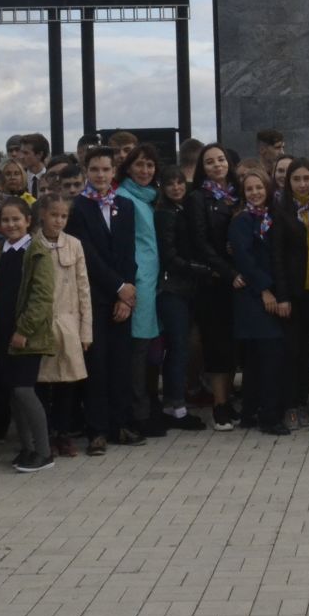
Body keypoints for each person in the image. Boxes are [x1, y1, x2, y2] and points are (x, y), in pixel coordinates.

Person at [71, 148, 141, 453]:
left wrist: (127, 293)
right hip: (94, 296)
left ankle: (120, 424)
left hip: (121, 297)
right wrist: (116, 287)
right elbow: (87, 254)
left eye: (106, 169)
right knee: (96, 365)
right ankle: (96, 429)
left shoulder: (124, 206)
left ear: (114, 172)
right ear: (87, 171)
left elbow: (128, 251)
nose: (101, 175)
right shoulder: (77, 207)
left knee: (120, 363)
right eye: (95, 169)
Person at [0, 198, 58, 472]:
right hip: (3, 332)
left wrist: (24, 329)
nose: (11, 224)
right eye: (5, 220)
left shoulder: (38, 251)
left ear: (28, 220)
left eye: (16, 219)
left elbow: (42, 297)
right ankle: (27, 448)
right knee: (13, 393)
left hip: (27, 335)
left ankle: (44, 451)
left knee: (24, 390)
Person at [229, 170, 292, 435]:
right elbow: (244, 259)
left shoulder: (272, 217)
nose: (255, 193)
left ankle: (250, 412)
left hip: (270, 292)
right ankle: (268, 416)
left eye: (259, 188)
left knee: (258, 360)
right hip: (255, 298)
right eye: (249, 189)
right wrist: (265, 290)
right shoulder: (242, 220)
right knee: (267, 358)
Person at [33, 190, 95, 453]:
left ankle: (63, 432)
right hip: (41, 323)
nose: (58, 221)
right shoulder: (32, 244)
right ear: (42, 216)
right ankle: (43, 433)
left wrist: (85, 331)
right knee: (42, 383)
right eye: (54, 216)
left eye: (63, 216)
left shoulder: (74, 244)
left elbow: (83, 288)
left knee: (67, 383)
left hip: (69, 322)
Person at [148, 170, 208, 433]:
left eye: (179, 182)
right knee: (178, 348)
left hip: (187, 287)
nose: (175, 187)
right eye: (169, 183)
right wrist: (199, 268)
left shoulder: (184, 209)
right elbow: (169, 255)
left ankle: (176, 403)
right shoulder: (165, 213)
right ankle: (175, 406)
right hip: (172, 288)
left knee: (182, 347)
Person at [189, 143, 241, 430]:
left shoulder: (238, 194)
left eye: (221, 159)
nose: (217, 165)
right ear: (203, 168)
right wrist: (227, 271)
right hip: (215, 281)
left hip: (239, 281)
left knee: (232, 345)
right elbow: (201, 243)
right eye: (210, 162)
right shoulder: (199, 198)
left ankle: (229, 398)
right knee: (217, 345)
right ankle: (219, 404)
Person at [115, 145, 165, 435]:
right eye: (139, 165)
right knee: (137, 351)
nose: (145, 171)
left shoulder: (147, 198)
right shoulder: (124, 198)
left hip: (152, 280)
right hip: (138, 281)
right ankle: (138, 413)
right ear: (128, 168)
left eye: (150, 165)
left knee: (148, 350)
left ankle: (146, 408)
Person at [272, 160, 309, 429]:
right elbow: (277, 257)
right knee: (290, 351)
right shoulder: (281, 213)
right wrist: (282, 295)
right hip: (292, 293)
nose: (303, 184)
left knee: (306, 352)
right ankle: (288, 404)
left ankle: (302, 402)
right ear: (288, 183)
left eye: (307, 178)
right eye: (297, 179)